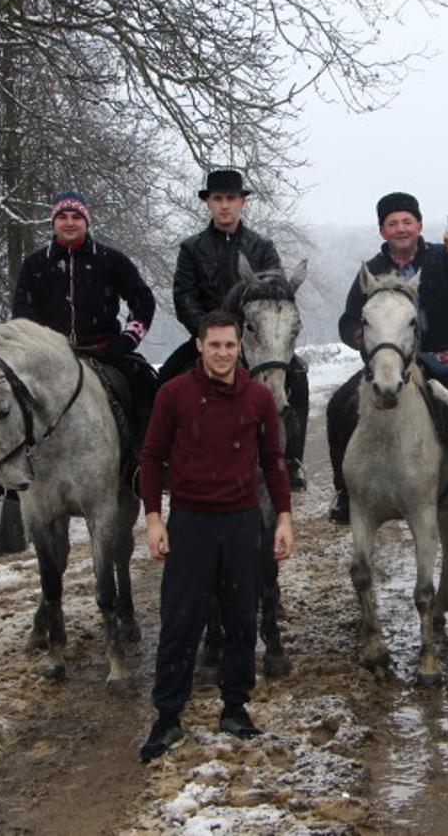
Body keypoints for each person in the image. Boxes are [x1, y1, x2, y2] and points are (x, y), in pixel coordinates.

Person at [138, 309, 294, 763]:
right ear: (200, 347)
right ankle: (167, 718)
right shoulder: (174, 395)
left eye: (230, 345)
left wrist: (283, 517)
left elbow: (274, 461)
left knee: (242, 616)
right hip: (190, 522)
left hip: (243, 521)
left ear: (240, 347)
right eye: (214, 345)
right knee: (181, 621)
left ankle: (235, 708)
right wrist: (153, 518)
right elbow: (150, 458)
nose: (223, 353)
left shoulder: (258, 397)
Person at [325, 191, 448, 526]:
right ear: (382, 231)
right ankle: (344, 493)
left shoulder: (444, 257)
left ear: (418, 225)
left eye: (407, 221)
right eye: (392, 223)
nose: (401, 228)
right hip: (388, 364)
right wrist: (366, 339)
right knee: (338, 406)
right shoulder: (371, 271)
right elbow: (348, 321)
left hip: (443, 356)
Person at [157, 169, 309, 491]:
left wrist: (253, 334)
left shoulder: (263, 246)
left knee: (298, 375)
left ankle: (292, 459)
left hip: (257, 340)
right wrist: (209, 335)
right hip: (207, 340)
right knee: (165, 379)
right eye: (218, 199)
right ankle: (165, 461)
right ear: (208, 203)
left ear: (243, 203)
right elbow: (184, 296)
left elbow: (277, 290)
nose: (224, 206)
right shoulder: (191, 249)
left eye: (231, 199)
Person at [11, 190, 157, 478]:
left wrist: (126, 340)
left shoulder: (111, 260)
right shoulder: (35, 264)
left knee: (146, 385)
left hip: (104, 352)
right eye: (62, 217)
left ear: (86, 222)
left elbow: (143, 301)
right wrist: (39, 346)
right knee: (6, 398)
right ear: (53, 222)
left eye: (76, 217)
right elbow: (22, 313)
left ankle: (148, 463)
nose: (69, 223)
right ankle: (12, 472)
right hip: (49, 358)